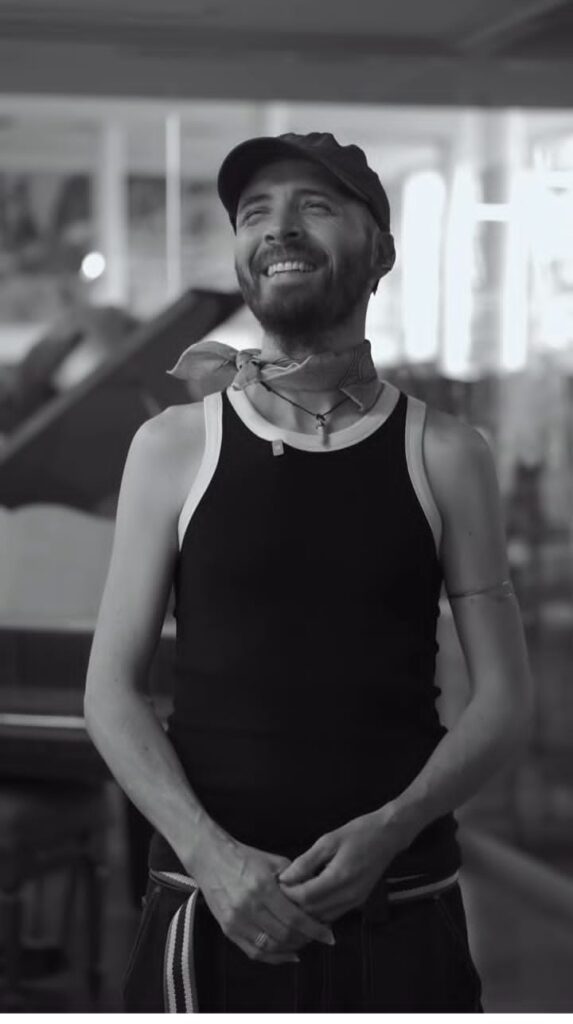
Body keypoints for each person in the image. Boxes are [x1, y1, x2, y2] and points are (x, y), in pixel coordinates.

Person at [84, 131, 533, 1012]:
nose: (278, 228)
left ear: (382, 252)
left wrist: (390, 830)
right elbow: (109, 692)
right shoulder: (172, 446)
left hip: (402, 897)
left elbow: (505, 700)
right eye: (255, 213)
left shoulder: (446, 452)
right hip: (207, 902)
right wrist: (212, 857)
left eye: (314, 207)